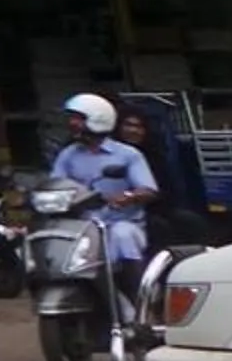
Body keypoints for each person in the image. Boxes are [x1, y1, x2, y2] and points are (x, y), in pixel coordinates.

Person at [51, 91, 157, 301]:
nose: (72, 123)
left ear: (97, 119)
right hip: (82, 226)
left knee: (123, 236)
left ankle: (140, 304)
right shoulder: (68, 155)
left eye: (78, 119)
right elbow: (55, 184)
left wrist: (126, 197)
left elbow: (148, 190)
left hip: (121, 222)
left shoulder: (128, 155)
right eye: (71, 118)